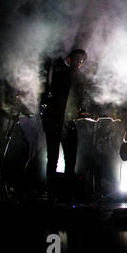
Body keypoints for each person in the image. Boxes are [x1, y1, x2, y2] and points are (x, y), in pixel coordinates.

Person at [41, 49, 89, 194]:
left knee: (70, 157)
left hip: (68, 123)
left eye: (81, 61)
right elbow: (53, 98)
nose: (79, 63)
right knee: (53, 157)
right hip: (55, 121)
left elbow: (80, 102)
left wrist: (81, 112)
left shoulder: (81, 79)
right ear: (70, 59)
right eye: (77, 59)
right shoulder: (59, 75)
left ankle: (67, 192)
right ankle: (50, 191)